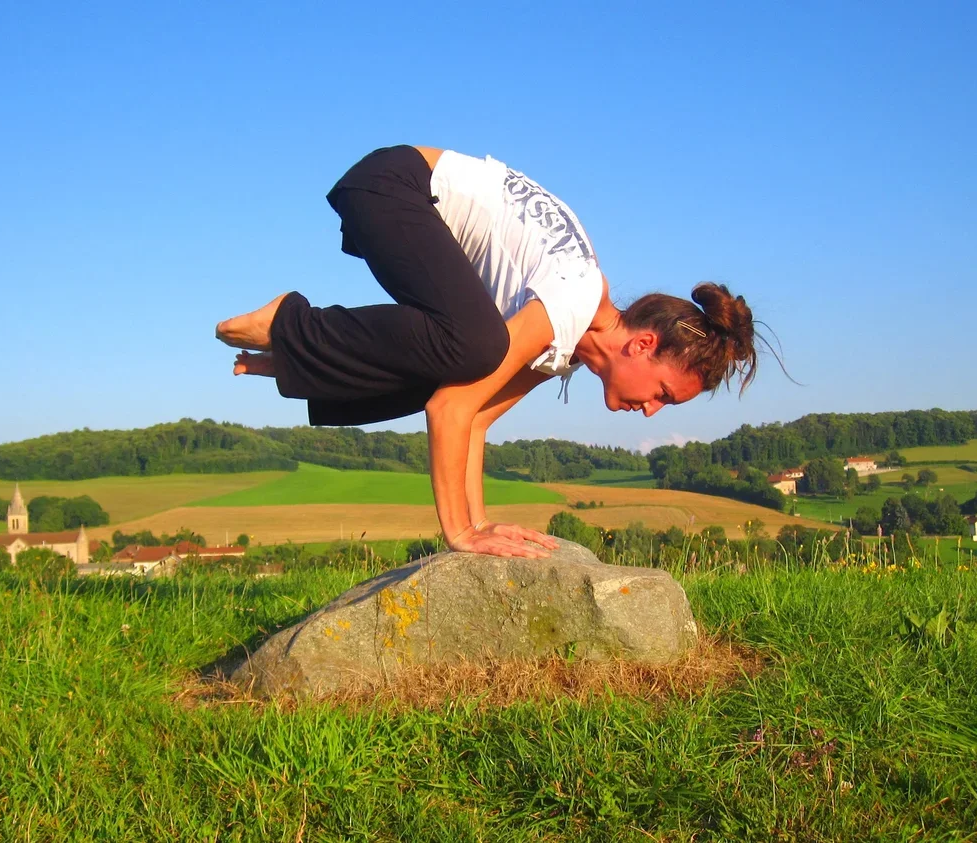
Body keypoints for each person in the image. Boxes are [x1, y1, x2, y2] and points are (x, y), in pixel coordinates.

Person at [216, 145, 760, 559]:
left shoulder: (567, 343)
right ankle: (291, 323)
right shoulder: (571, 300)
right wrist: (460, 533)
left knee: (464, 360)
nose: (652, 410)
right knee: (475, 347)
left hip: (400, 200)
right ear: (643, 344)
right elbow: (448, 411)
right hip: (394, 185)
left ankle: (294, 353)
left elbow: (473, 414)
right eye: (663, 392)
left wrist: (482, 523)